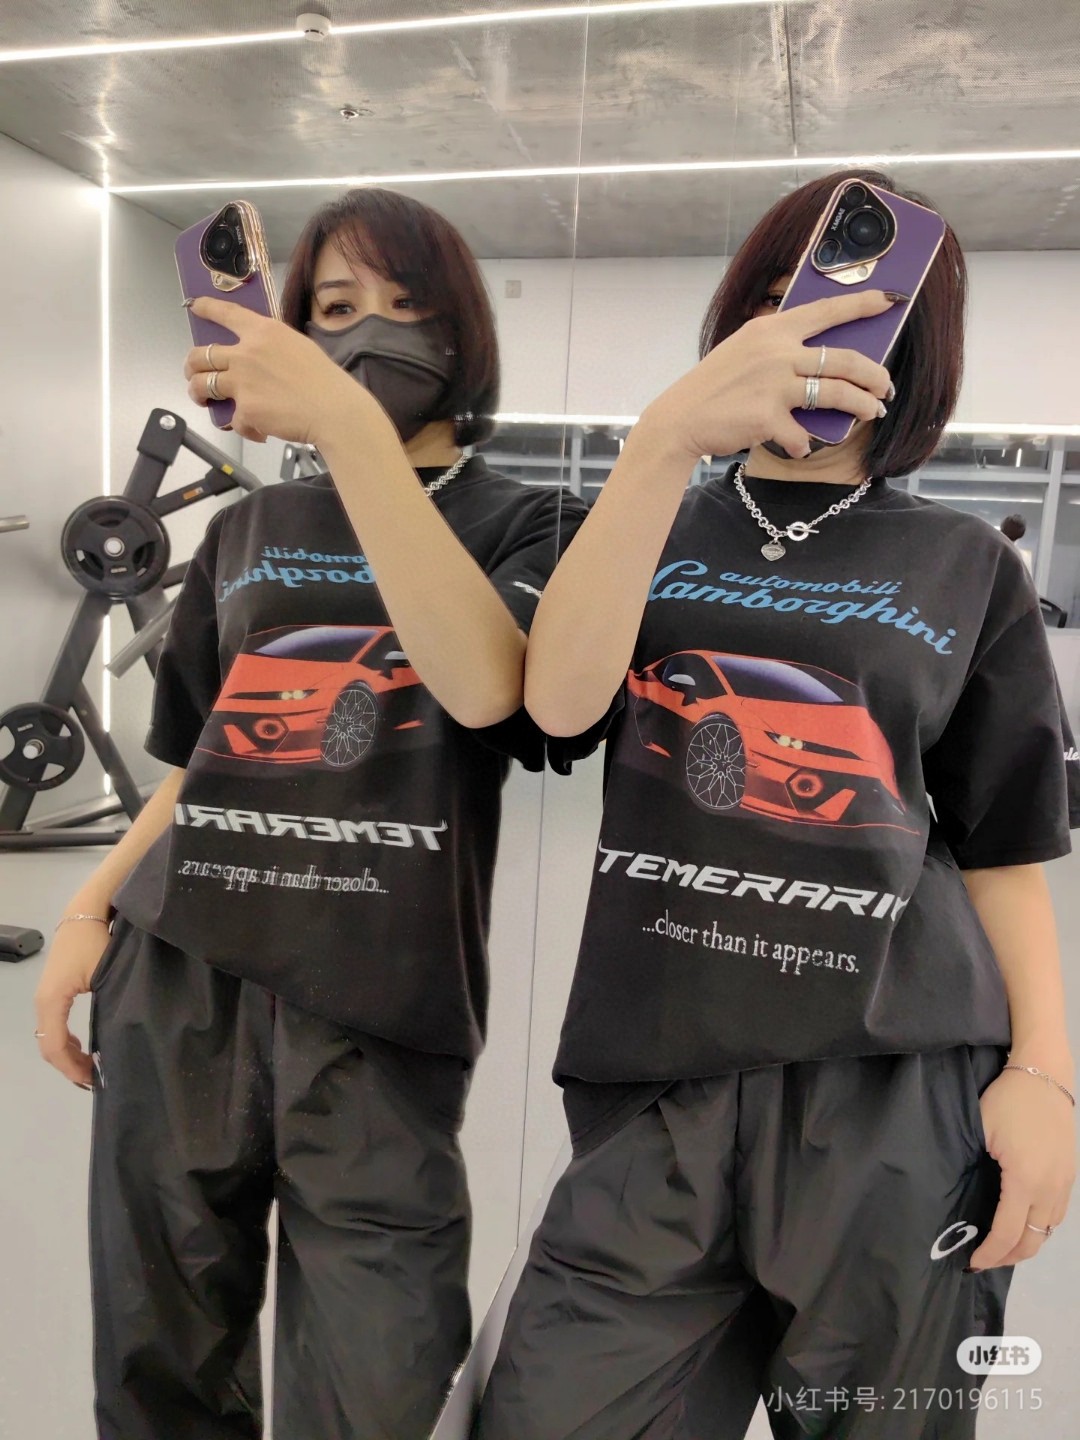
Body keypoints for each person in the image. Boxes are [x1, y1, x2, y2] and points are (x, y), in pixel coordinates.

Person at [475, 171, 1079, 1439]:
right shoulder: (636, 520)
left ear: (913, 350)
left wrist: (1046, 1076)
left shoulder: (967, 563)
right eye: (778, 295)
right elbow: (560, 706)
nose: (808, 330)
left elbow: (1002, 847)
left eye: (865, 307)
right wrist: (661, 442)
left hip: (897, 1089)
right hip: (656, 1080)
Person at [34, 188, 579, 1440]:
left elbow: (493, 688)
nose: (369, 331)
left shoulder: (535, 522)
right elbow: (199, 758)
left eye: (405, 304)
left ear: (463, 333)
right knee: (161, 1356)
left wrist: (348, 435)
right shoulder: (248, 527)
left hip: (379, 996)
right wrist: (86, 913)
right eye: (335, 308)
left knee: (381, 1380)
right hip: (183, 975)